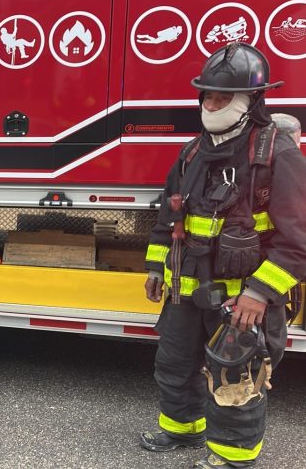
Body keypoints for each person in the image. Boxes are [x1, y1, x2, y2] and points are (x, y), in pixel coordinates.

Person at [141, 42, 306, 468]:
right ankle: (182, 429)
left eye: (222, 98)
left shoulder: (277, 155)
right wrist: (156, 266)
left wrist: (260, 293)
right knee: (174, 363)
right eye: (208, 96)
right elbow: (169, 216)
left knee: (236, 373)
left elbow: (297, 240)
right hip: (185, 292)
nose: (211, 105)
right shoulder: (193, 152)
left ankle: (234, 455)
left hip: (241, 301)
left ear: (251, 100)